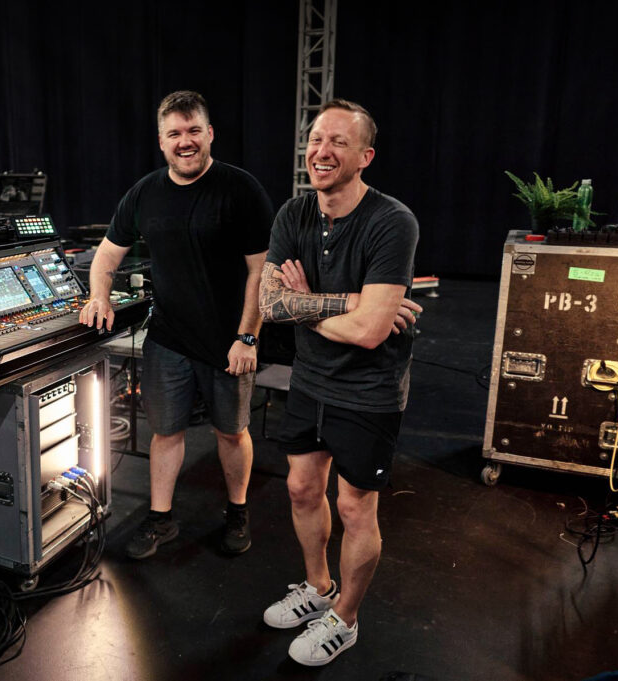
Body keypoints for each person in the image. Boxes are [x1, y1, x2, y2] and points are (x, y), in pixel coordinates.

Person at [258, 99, 422, 666]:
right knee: (302, 489)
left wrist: (304, 304)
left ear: (365, 156)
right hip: (310, 381)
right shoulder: (292, 215)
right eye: (316, 139)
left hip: (369, 392)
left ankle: (345, 619)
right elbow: (269, 302)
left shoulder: (392, 221)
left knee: (355, 509)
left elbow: (374, 331)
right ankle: (318, 588)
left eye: (339, 143)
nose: (322, 152)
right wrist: (346, 301)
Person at [79, 90, 273, 559]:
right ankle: (161, 519)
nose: (184, 142)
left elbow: (261, 272)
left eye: (192, 131)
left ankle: (238, 510)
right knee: (166, 432)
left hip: (230, 341)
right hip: (168, 338)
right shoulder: (144, 193)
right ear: (161, 142)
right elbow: (107, 254)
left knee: (231, 432)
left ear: (209, 134)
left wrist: (248, 336)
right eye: (174, 134)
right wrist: (98, 296)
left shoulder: (240, 189)